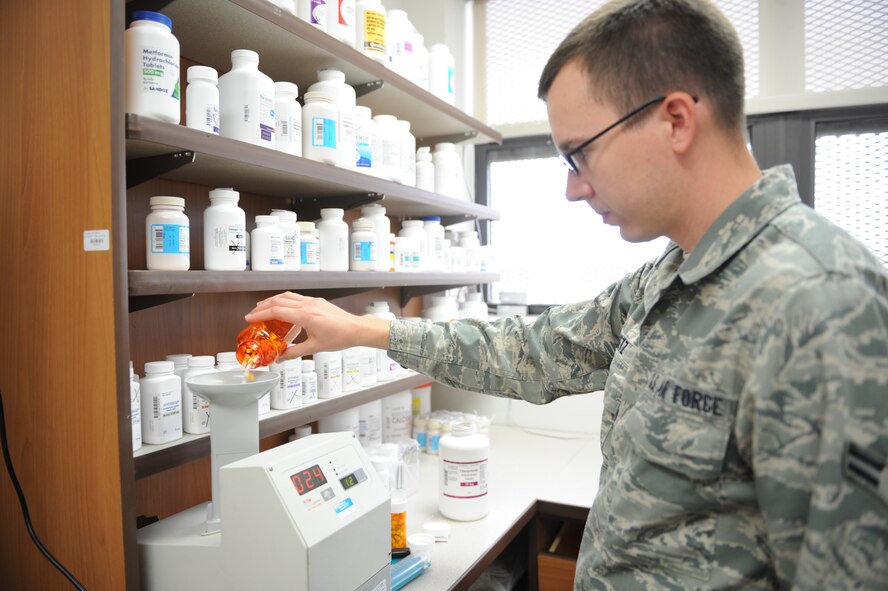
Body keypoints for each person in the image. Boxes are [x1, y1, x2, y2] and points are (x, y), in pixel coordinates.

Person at [246, 0, 888, 588]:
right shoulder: (667, 279)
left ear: (676, 120)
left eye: (580, 154)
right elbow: (534, 349)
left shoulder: (820, 301)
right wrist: (366, 329)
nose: (573, 189)